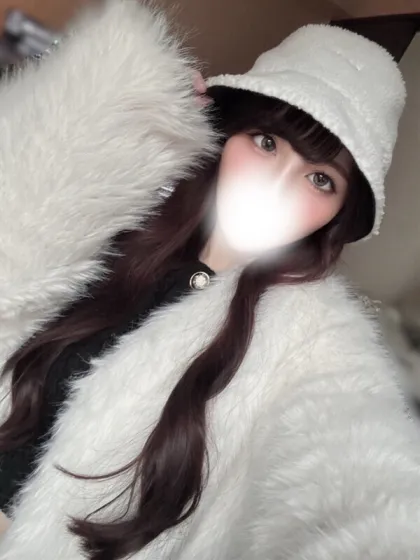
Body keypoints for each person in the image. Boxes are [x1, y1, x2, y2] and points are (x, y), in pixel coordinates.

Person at [0, 0, 419, 558]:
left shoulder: (310, 343)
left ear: (339, 215)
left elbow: (353, 469)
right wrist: (125, 111)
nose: (276, 185)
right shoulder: (119, 212)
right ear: (228, 134)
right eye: (266, 142)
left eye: (320, 179)